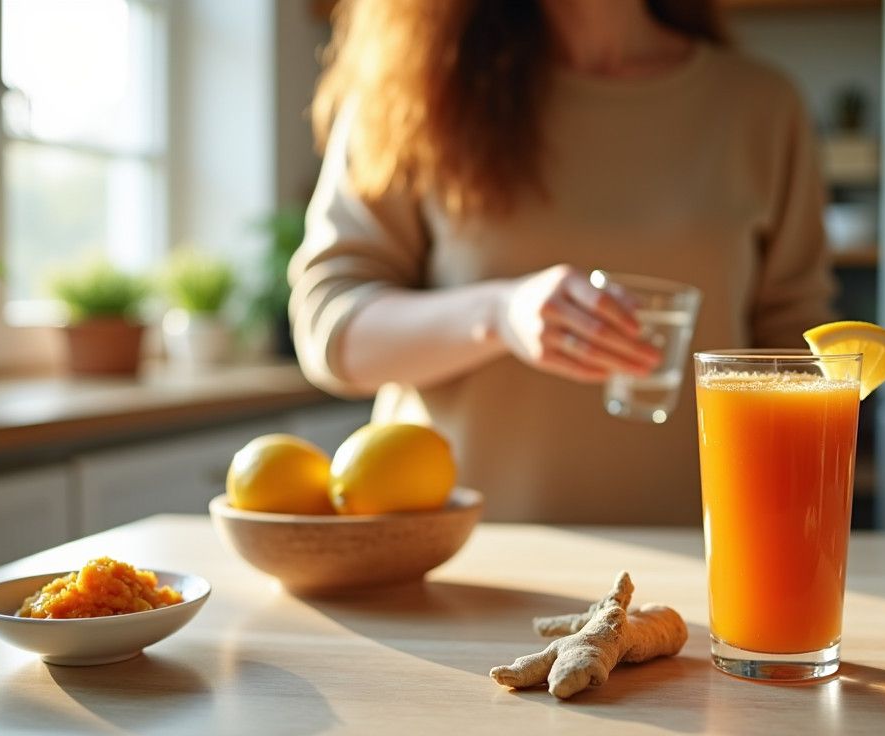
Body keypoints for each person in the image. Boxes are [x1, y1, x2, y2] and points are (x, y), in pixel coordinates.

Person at [289, 0, 836, 524]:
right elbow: (330, 330)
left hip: (701, 564)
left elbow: (802, 358)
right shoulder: (410, 94)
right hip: (462, 567)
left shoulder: (760, 106)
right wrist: (500, 314)